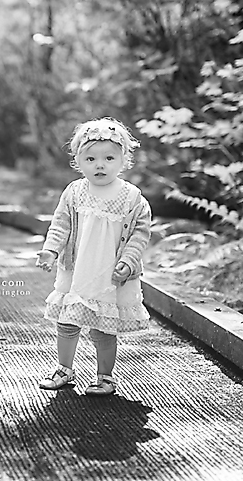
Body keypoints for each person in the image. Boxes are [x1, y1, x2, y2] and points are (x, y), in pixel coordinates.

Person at [36, 117, 152, 396]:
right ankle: (64, 368)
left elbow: (140, 233)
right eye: (90, 159)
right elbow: (61, 224)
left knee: (103, 329)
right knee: (66, 321)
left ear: (123, 159)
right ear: (78, 160)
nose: (99, 165)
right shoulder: (75, 192)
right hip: (77, 270)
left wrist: (129, 260)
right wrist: (51, 250)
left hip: (108, 273)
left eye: (109, 158)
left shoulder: (132, 198)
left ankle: (105, 377)